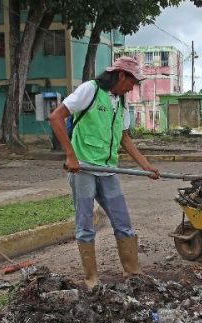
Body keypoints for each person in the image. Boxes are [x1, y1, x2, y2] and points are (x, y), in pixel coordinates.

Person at [49, 56, 160, 289]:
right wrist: (70, 156)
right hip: (84, 169)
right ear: (121, 76)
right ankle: (92, 280)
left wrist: (145, 165)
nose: (133, 87)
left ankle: (133, 274)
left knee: (123, 222)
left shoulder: (121, 102)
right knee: (85, 226)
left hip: (108, 170)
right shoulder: (89, 90)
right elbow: (56, 117)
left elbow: (123, 137)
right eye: (132, 82)